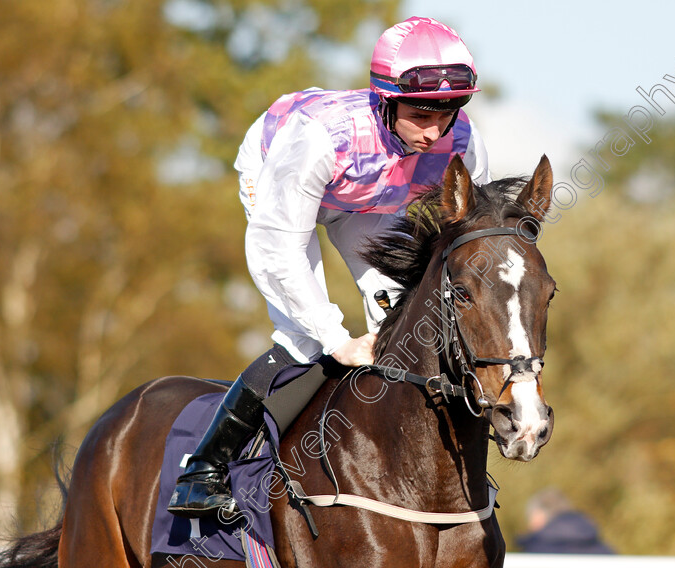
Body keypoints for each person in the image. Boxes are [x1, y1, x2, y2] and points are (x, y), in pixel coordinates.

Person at [168, 16, 490, 519]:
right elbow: (277, 250)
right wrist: (335, 338)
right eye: (420, 114)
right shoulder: (320, 137)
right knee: (305, 336)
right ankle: (202, 471)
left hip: (366, 200)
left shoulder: (461, 140)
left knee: (401, 321)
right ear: (386, 98)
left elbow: (474, 234)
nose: (434, 131)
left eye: (447, 114)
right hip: (282, 178)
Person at [515, 488, 616, 554]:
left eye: (531, 518)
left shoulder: (534, 552)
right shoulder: (606, 552)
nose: (530, 525)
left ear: (539, 516)